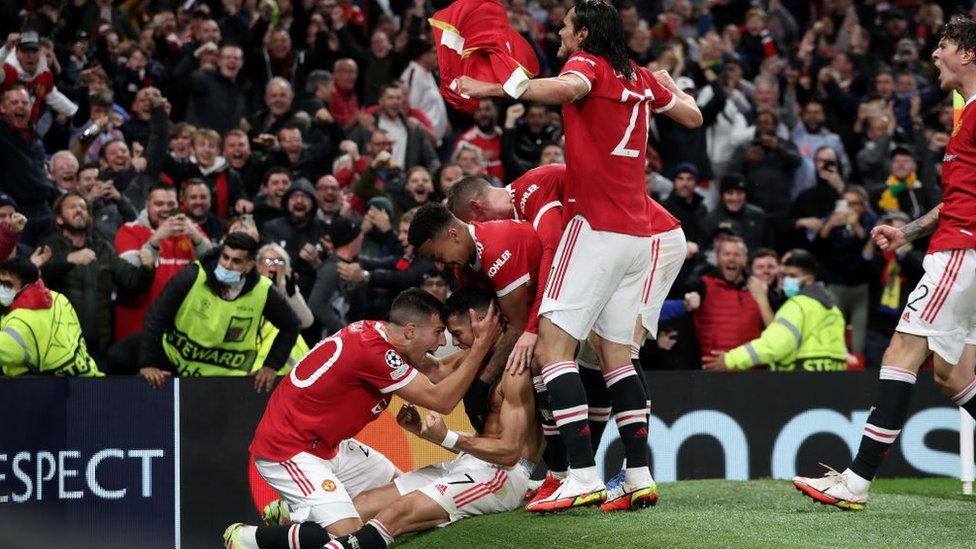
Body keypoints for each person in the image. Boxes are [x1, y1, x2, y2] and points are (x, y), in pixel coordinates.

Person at [456, 0, 701, 512]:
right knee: (616, 360)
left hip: (597, 230)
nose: (560, 35)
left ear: (584, 33)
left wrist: (500, 88)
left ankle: (581, 474)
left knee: (552, 353)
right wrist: (668, 84)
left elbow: (566, 89)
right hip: (640, 238)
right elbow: (693, 117)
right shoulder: (637, 75)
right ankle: (638, 476)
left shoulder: (586, 64)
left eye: (566, 27)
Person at [794, 15, 976, 511]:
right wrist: (908, 230)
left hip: (962, 255)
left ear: (968, 54)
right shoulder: (966, 117)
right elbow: (959, 197)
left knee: (900, 352)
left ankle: (856, 481)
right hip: (959, 248)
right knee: (955, 376)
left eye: (943, 46)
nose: (934, 54)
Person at [222, 289, 502, 547]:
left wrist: (486, 344)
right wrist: (479, 348)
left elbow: (439, 372)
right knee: (349, 536)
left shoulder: (385, 337)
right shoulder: (374, 352)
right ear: (410, 331)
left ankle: (290, 511)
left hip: (330, 445)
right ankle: (248, 538)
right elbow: (442, 400)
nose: (443, 342)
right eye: (439, 332)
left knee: (398, 495)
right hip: (290, 451)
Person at [340, 290, 543, 546]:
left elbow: (510, 452)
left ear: (483, 322)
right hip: (470, 462)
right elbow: (432, 368)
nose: (453, 342)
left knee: (398, 513)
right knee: (362, 505)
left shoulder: (515, 369)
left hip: (504, 475)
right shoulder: (471, 358)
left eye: (457, 334)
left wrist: (446, 437)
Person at [138, 233, 301, 391]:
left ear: (249, 266)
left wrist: (271, 366)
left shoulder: (263, 290)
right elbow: (156, 317)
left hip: (226, 374)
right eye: (225, 257)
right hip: (175, 359)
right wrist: (148, 364)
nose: (228, 265)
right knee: (119, 355)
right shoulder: (193, 275)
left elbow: (292, 325)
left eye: (236, 261)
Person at [41, 192, 155, 357]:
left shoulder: (103, 248)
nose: (79, 210)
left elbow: (132, 282)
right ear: (59, 219)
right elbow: (39, 277)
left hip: (100, 348)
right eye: (72, 207)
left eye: (83, 207)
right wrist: (68, 260)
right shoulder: (49, 246)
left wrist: (147, 269)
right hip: (60, 347)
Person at [703, 249, 847, 371]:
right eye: (783, 275)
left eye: (792, 276)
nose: (784, 280)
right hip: (833, 381)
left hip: (801, 380)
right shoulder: (833, 309)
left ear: (809, 280)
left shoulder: (797, 305)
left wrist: (731, 359)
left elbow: (774, 345)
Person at [114, 183, 212, 342]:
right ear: (147, 205)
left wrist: (195, 235)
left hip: (180, 332)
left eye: (171, 204)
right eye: (159, 204)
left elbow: (214, 266)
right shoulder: (129, 231)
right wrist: (156, 238)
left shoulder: (191, 231)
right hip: (137, 329)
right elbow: (130, 276)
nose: (166, 209)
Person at [0, 256, 102, 376]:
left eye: (7, 284)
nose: (2, 288)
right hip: (91, 379)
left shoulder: (19, 322)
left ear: (26, 285)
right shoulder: (59, 298)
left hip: (48, 388)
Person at [684, 236, 767, 365]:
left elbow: (774, 331)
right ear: (717, 258)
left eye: (737, 254)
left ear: (745, 260)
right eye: (726, 254)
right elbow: (678, 292)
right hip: (713, 371)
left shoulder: (757, 288)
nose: (731, 258)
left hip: (752, 371)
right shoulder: (702, 285)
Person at [0, 86, 55, 246]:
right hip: (17, 212)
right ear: (2, 108)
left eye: (24, 103)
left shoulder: (35, 137)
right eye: (14, 102)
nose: (20, 107)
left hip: (44, 209)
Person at [264, 179, 330, 298]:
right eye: (294, 196)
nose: (299, 200)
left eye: (305, 197)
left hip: (314, 295)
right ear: (287, 202)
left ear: (313, 203)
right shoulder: (272, 228)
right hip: (279, 293)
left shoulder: (324, 230)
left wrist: (317, 264)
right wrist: (284, 264)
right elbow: (266, 261)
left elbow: (334, 271)